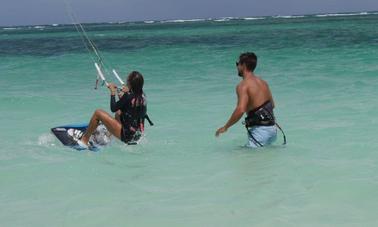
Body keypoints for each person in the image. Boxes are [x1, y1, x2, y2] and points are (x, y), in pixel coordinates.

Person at [215, 52, 284, 148]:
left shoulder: (243, 85)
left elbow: (240, 110)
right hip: (272, 130)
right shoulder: (263, 83)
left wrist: (226, 127)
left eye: (237, 64)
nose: (237, 67)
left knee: (244, 159)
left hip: (260, 132)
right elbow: (272, 105)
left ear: (243, 65)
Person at [77, 71, 148, 149]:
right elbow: (129, 107)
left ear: (130, 84)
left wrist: (113, 92)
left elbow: (113, 108)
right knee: (118, 113)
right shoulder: (142, 95)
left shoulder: (128, 96)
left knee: (98, 113)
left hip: (127, 137)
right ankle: (108, 136)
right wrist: (126, 94)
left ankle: (84, 141)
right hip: (137, 135)